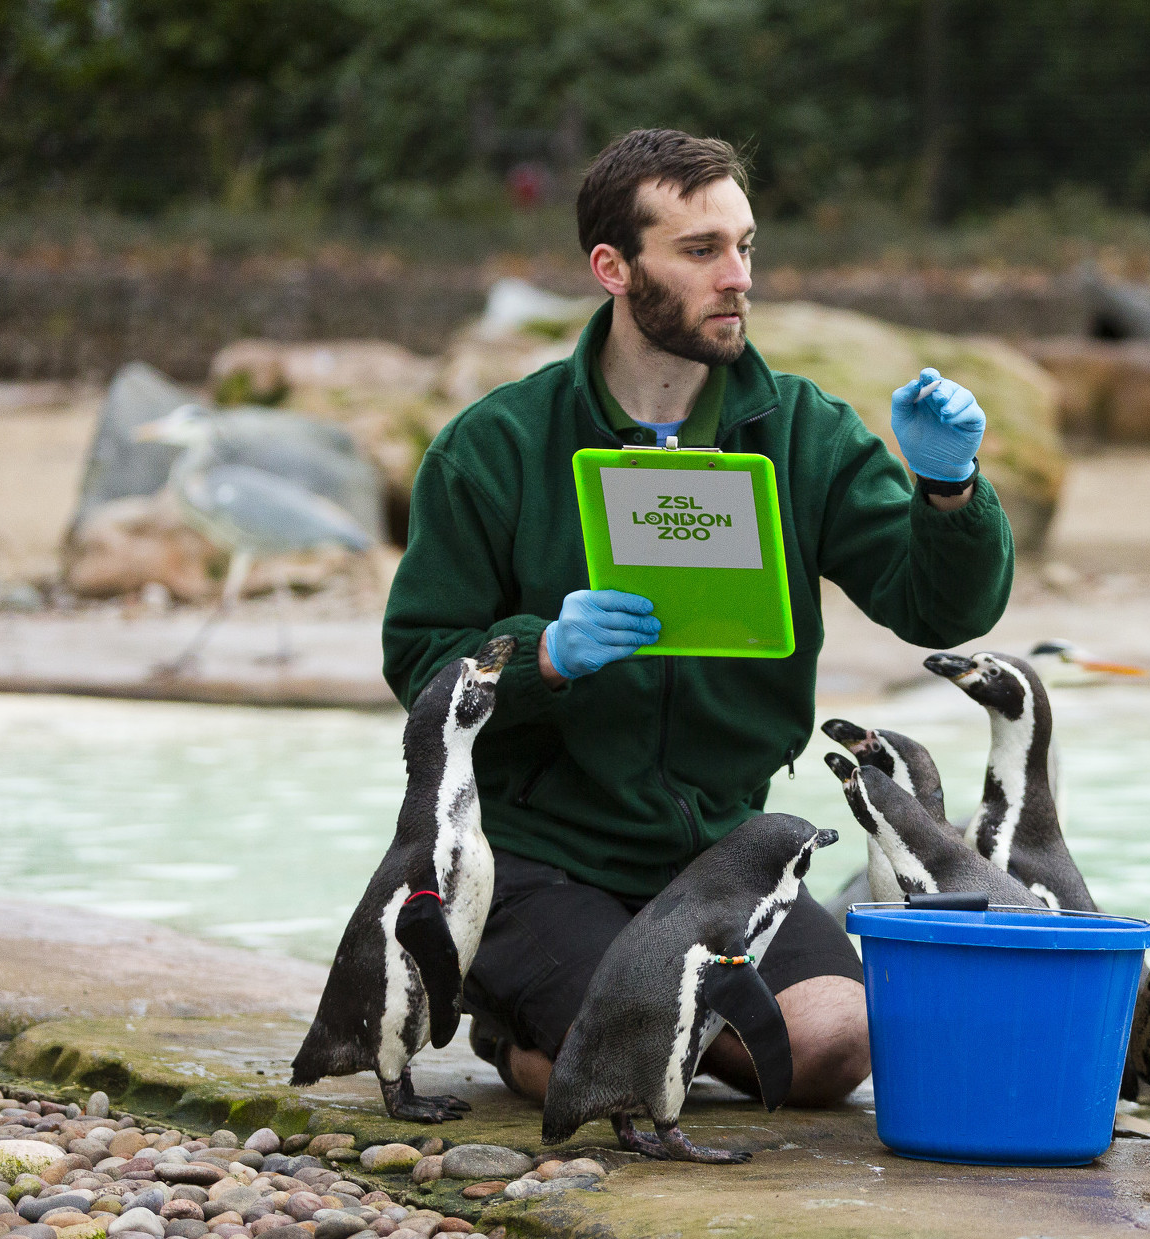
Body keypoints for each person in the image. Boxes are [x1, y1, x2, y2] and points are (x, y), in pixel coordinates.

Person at [381, 128, 1015, 1109]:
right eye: (699, 250)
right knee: (630, 1064)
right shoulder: (495, 446)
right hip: (544, 856)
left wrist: (947, 490)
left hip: (726, 852)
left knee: (834, 1045)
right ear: (613, 267)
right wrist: (538, 654)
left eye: (744, 245)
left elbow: (939, 608)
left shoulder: (803, 433)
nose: (736, 277)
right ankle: (539, 1026)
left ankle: (640, 1031)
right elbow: (417, 664)